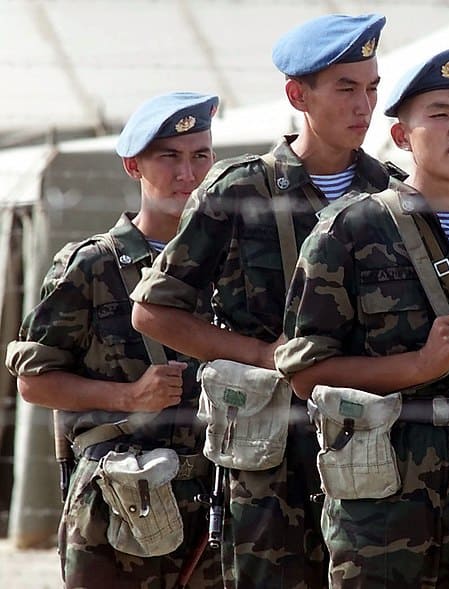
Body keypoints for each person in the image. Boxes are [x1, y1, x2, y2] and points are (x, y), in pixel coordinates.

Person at [129, 13, 394, 589]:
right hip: (267, 460)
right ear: (298, 96)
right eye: (346, 88)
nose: (364, 105)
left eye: (372, 88)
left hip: (369, 452)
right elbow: (153, 311)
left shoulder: (391, 195)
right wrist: (258, 354)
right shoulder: (239, 191)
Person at [275, 47, 449, 588]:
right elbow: (305, 373)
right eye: (439, 114)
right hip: (382, 498)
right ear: (400, 136)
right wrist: (417, 367)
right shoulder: (349, 232)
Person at [5, 92, 221, 589]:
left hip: (218, 504)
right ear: (133, 166)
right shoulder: (92, 266)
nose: (187, 173)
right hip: (120, 510)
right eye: (169, 157)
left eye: (200, 155)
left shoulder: (232, 264)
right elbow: (35, 383)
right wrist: (129, 397)